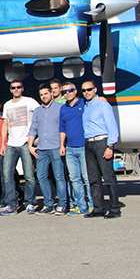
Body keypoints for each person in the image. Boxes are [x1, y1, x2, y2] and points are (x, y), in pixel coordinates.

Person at [81, 80, 121, 219]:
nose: (87, 92)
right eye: (84, 90)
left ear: (95, 89)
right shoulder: (86, 106)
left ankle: (115, 208)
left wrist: (110, 146)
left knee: (108, 177)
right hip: (89, 143)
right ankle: (98, 208)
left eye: (89, 89)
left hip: (101, 142)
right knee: (93, 178)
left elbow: (111, 125)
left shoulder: (102, 104)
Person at [0, 81, 40, 216]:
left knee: (29, 175)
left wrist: (34, 135)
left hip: (25, 142)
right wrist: (3, 144)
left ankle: (30, 203)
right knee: (7, 175)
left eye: (18, 87)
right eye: (13, 88)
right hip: (11, 143)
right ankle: (11, 205)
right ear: (10, 90)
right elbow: (5, 125)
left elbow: (40, 114)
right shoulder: (7, 105)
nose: (16, 89)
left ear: (22, 89)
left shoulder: (30, 101)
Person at [28, 84, 68, 215]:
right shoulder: (38, 111)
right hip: (42, 148)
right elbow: (33, 128)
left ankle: (62, 204)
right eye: (41, 95)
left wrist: (63, 144)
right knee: (41, 176)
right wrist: (30, 145)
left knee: (59, 176)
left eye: (46, 93)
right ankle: (48, 204)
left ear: (52, 93)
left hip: (56, 146)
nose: (44, 96)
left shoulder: (61, 107)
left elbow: (64, 126)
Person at [58, 81, 92, 215]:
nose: (67, 93)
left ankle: (93, 204)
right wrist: (62, 145)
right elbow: (62, 127)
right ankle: (81, 206)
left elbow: (95, 103)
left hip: (83, 146)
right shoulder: (63, 108)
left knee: (87, 178)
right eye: (64, 92)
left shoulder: (84, 103)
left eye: (70, 90)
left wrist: (102, 98)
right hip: (70, 148)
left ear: (75, 91)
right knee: (74, 178)